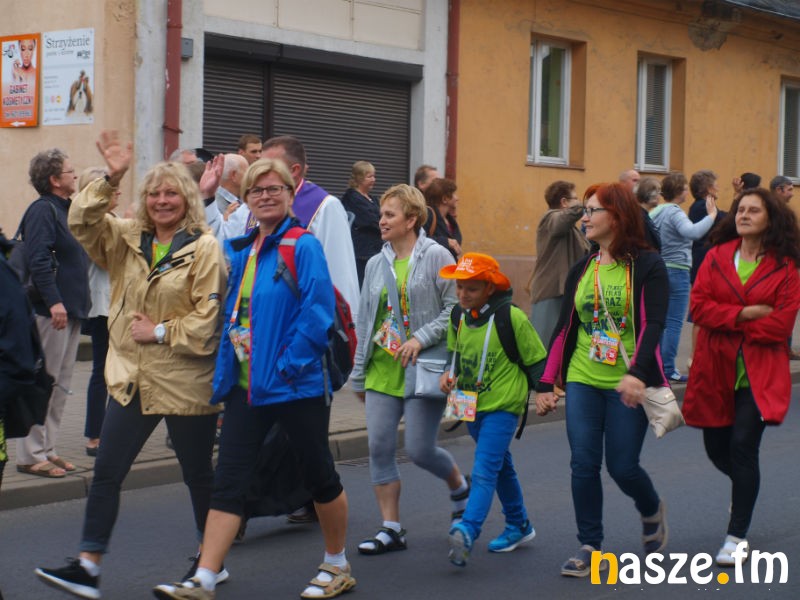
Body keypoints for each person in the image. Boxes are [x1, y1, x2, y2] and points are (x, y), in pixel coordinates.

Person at [35, 131, 228, 599]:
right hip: (132, 379)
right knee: (106, 471)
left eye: (171, 193)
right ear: (144, 200)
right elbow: (81, 221)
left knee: (198, 476)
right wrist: (111, 177)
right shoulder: (125, 239)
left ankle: (210, 562)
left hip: (185, 381)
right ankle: (88, 565)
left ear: (187, 199)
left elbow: (208, 322)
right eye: (154, 193)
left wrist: (159, 331)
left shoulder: (204, 248)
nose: (162, 201)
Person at [152, 157, 354, 600]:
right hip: (246, 388)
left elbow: (317, 313)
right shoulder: (240, 250)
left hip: (295, 386)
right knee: (228, 481)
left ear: (290, 194)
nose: (265, 196)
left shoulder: (302, 245)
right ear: (245, 199)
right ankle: (205, 577)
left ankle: (337, 563)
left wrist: (286, 366)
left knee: (319, 476)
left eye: (274, 188)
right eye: (256, 190)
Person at [535, 182, 669, 577]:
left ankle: (651, 508)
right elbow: (565, 327)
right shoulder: (583, 268)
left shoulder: (648, 266)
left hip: (627, 381)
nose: (585, 218)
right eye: (585, 210)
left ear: (618, 216)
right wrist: (546, 382)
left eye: (593, 210)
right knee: (583, 463)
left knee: (623, 466)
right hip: (583, 376)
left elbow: (654, 325)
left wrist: (637, 373)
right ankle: (590, 544)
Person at [682, 188, 800, 566]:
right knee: (716, 449)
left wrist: (725, 318)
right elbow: (699, 308)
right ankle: (744, 489)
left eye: (754, 210)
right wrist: (746, 314)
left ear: (771, 219)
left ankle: (736, 536)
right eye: (741, 210)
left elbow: (779, 325)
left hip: (759, 373)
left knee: (743, 446)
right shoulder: (716, 256)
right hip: (715, 368)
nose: (744, 215)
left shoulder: (786, 266)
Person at [350, 183, 469, 557]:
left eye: (390, 214)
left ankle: (459, 487)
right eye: (381, 214)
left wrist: (420, 337)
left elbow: (455, 309)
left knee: (419, 449)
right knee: (379, 447)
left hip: (423, 367)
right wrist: (358, 373)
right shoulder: (375, 263)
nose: (381, 221)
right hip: (382, 368)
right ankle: (391, 528)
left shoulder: (436, 256)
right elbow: (365, 319)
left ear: (412, 219)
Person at [439, 253, 547, 567]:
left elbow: (536, 360)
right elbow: (453, 353)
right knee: (501, 467)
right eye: (460, 287)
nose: (463, 294)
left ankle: (467, 530)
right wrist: (447, 375)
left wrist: (545, 392)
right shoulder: (458, 316)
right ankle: (519, 524)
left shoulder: (511, 318)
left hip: (503, 405)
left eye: (471, 289)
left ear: (490, 288)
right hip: (471, 406)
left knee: (485, 469)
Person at [225, 135, 359, 317]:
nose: (261, 171)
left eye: (270, 166)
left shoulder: (325, 206)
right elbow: (224, 244)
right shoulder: (252, 204)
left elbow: (340, 274)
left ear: (294, 170)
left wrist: (346, 324)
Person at [16, 148, 90, 479]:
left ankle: (48, 448)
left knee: (60, 385)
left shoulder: (65, 209)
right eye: (70, 171)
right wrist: (54, 301)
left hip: (68, 310)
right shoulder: (42, 210)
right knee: (43, 382)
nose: (76, 175)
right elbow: (39, 258)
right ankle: (30, 454)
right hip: (50, 311)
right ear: (55, 179)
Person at [649, 171, 717, 383]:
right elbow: (693, 232)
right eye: (685, 189)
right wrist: (711, 216)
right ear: (679, 191)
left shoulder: (656, 211)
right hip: (677, 270)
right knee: (673, 322)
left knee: (660, 322)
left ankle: (656, 366)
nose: (688, 192)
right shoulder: (674, 212)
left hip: (660, 268)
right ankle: (668, 368)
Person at [77, 167, 121, 457]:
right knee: (102, 372)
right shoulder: (94, 223)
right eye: (111, 187)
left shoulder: (112, 220)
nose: (118, 191)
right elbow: (107, 260)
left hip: (114, 304)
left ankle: (109, 432)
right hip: (103, 306)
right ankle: (94, 436)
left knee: (113, 371)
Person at [527, 180, 589, 347]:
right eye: (575, 198)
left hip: (564, 292)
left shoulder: (571, 228)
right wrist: (587, 203)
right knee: (545, 346)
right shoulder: (550, 218)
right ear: (564, 202)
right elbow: (563, 220)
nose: (578, 201)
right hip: (550, 291)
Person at [688, 169, 726, 366]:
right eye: (715, 184)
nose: (718, 187)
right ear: (709, 188)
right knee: (701, 313)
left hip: (703, 261)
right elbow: (726, 220)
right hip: (703, 263)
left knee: (705, 311)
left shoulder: (702, 205)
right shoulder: (703, 206)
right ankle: (695, 357)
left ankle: (702, 355)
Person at [341, 160, 382, 286]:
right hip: (362, 253)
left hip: (376, 250)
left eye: (374, 176)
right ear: (359, 178)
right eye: (369, 176)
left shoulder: (373, 199)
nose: (373, 180)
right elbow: (370, 220)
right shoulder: (351, 198)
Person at [423, 177, 463, 260]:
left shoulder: (450, 219)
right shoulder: (428, 215)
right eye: (453, 194)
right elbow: (419, 240)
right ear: (445, 199)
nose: (457, 198)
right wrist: (445, 242)